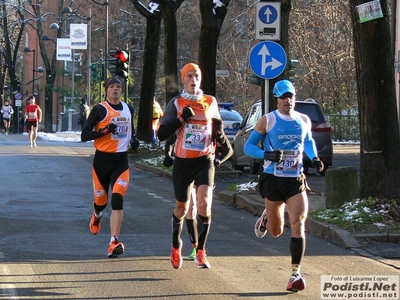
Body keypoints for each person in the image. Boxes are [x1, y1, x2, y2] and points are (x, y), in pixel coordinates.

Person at [244, 80, 324, 292]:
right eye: (283, 97)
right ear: (277, 99)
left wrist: (314, 158)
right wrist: (266, 154)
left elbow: (308, 141)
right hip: (273, 178)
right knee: (276, 231)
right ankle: (267, 218)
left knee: (298, 221)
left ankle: (295, 273)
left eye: (291, 97)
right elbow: (248, 146)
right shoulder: (268, 120)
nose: (288, 101)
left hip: (295, 179)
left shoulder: (303, 120)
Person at [158, 62, 233, 269]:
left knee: (204, 203)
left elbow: (217, 125)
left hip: (204, 159)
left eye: (196, 76)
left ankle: (201, 251)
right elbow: (162, 134)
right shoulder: (177, 102)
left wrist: (219, 135)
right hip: (183, 161)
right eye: (189, 76)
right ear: (184, 80)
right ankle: (176, 246)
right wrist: (182, 119)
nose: (193, 80)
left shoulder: (211, 101)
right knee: (182, 208)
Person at [81, 77, 140, 258]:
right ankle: (97, 214)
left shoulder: (128, 109)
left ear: (122, 90)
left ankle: (113, 241)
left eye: (118, 86)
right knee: (101, 201)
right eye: (112, 86)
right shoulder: (100, 110)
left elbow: (131, 132)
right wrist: (103, 132)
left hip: (121, 162)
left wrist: (134, 140)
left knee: (117, 199)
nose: (115, 89)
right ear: (106, 90)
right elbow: (84, 135)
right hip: (101, 162)